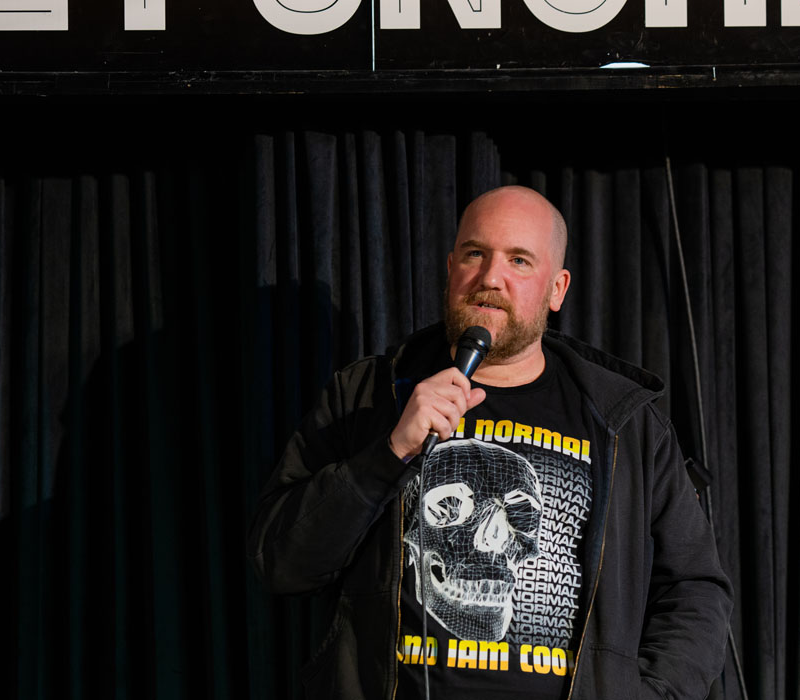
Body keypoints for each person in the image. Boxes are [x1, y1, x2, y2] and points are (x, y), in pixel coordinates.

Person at [247, 185, 733, 700]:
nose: (490, 279)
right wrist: (388, 454)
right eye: (475, 254)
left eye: (519, 261)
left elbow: (695, 589)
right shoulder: (365, 396)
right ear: (451, 267)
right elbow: (279, 564)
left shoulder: (625, 424)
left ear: (557, 289)